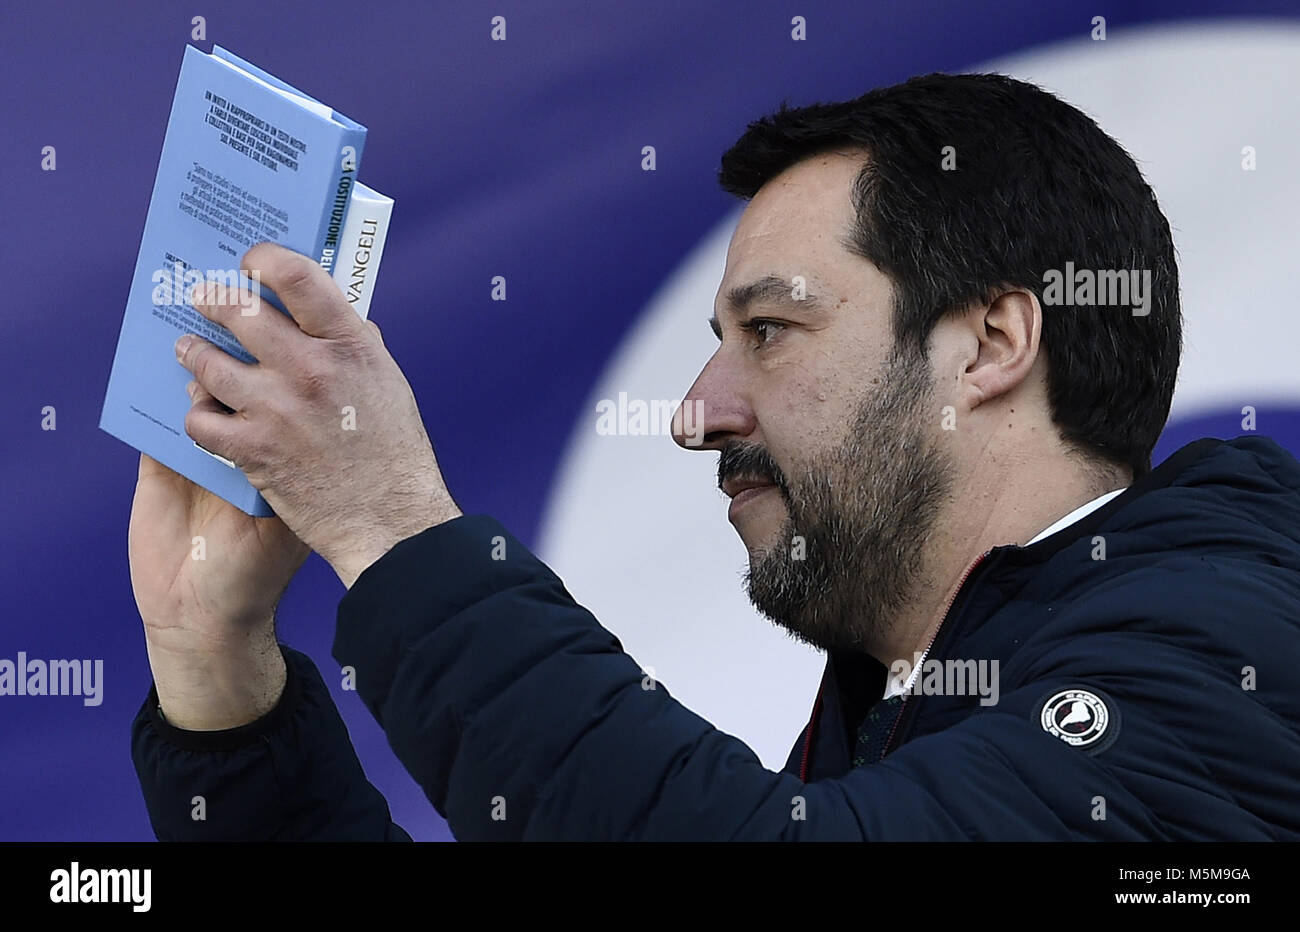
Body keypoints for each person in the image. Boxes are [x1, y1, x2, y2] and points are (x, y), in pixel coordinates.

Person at [128, 72, 1300, 840]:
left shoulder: (1234, 647)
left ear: (992, 342)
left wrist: (388, 520)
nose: (696, 413)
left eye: (772, 330)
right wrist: (216, 681)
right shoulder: (894, 720)